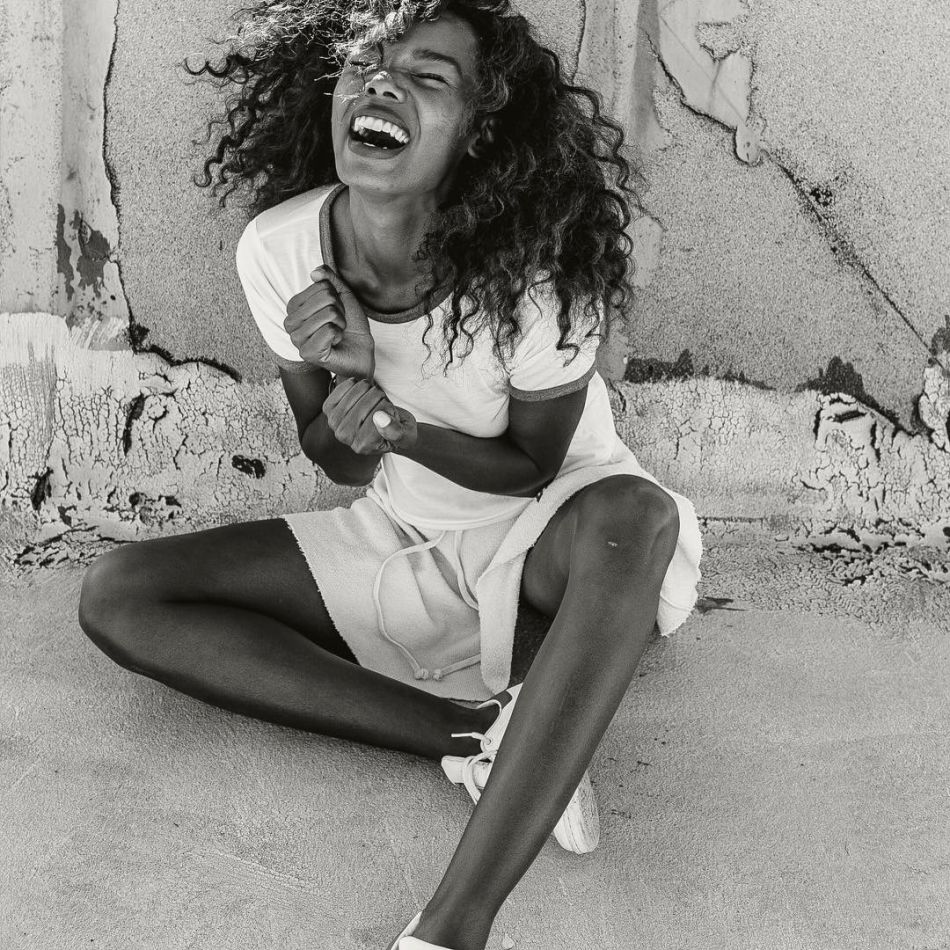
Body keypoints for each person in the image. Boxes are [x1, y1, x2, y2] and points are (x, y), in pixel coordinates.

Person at [77, 1, 702, 947]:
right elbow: (331, 456)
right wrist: (351, 395)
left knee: (640, 513)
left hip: (558, 534)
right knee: (121, 593)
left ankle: (450, 928)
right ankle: (479, 735)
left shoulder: (540, 282)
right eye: (364, 63)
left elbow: (532, 467)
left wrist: (401, 427)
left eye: (426, 76)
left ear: (476, 130)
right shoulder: (281, 250)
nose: (381, 82)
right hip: (404, 530)